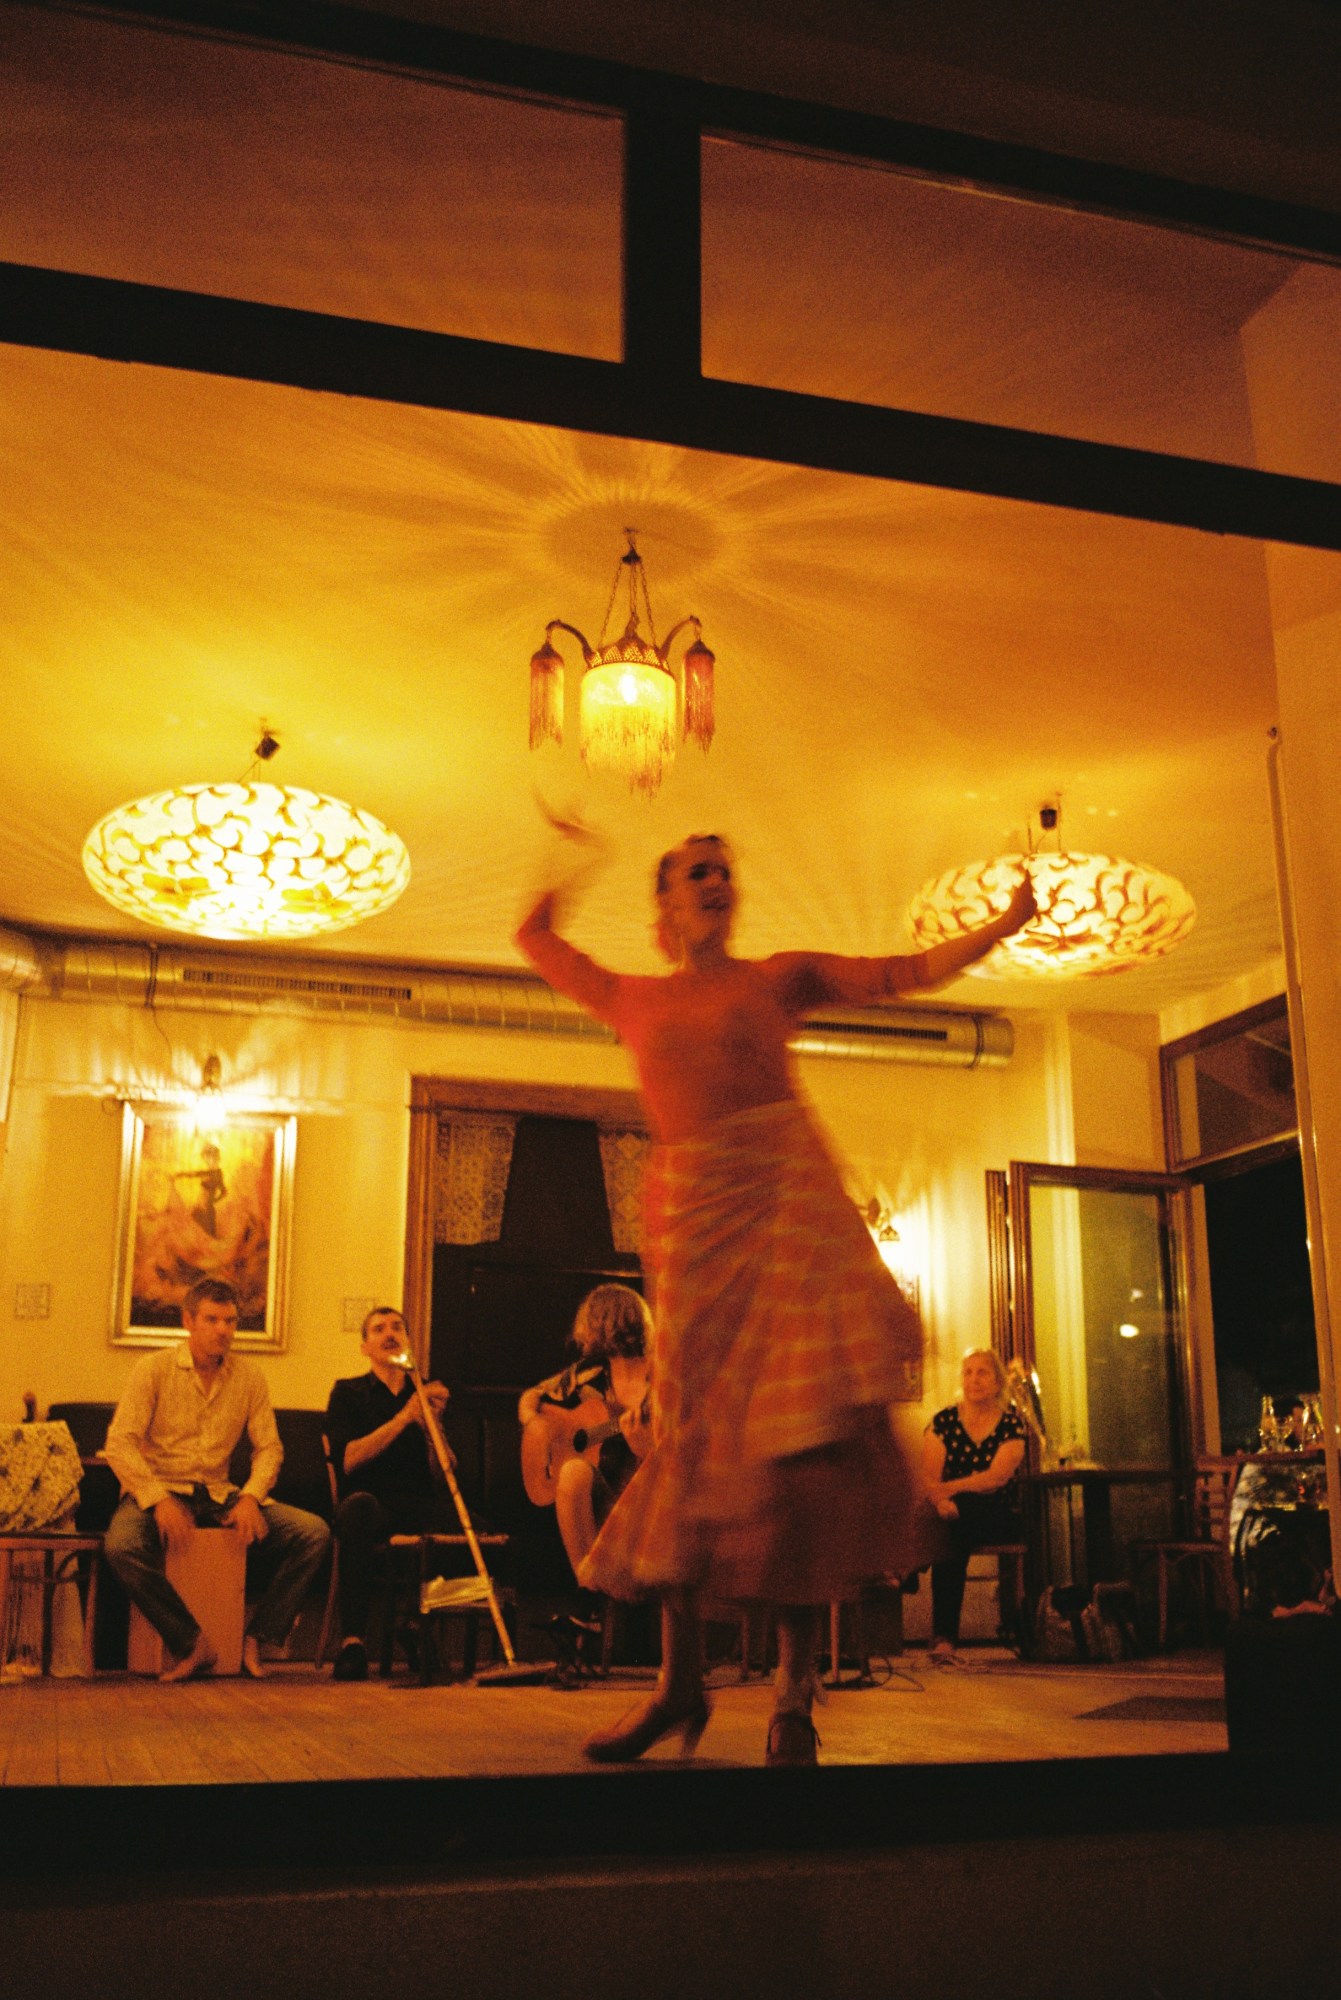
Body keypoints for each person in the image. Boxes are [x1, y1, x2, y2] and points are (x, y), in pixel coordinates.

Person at [516, 827, 1035, 1764]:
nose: (716, 880)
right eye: (694, 871)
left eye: (724, 869)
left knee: (800, 1443)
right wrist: (576, 853)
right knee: (690, 1441)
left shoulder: (778, 977)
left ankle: (794, 1694)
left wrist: (1002, 923)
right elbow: (536, 940)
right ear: (665, 905)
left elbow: (900, 971)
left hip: (787, 1209)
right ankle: (678, 1688)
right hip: (697, 1230)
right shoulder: (630, 997)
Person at [104, 1277, 330, 1681]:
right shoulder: (153, 1369)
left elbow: (270, 1449)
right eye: (212, 1319)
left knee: (313, 1533)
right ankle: (191, 1643)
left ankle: (256, 1638)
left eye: (230, 1321)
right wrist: (157, 1499)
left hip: (219, 1493)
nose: (223, 1330)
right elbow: (120, 1444)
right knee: (121, 1546)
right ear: (188, 1321)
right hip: (159, 1488)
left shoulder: (249, 1376)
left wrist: (251, 1497)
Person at [324, 1305, 454, 1681]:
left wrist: (434, 1426)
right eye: (379, 1329)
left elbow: (445, 1472)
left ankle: (419, 1628)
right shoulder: (347, 1392)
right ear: (365, 1347)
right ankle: (353, 1643)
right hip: (371, 1503)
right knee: (357, 1510)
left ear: (409, 1341)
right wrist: (403, 1419)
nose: (390, 1333)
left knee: (483, 1536)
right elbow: (348, 1460)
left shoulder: (424, 1391)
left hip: (418, 1502)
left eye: (397, 1327)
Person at [518, 1282, 653, 1578]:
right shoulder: (589, 1372)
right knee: (572, 1472)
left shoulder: (661, 1375)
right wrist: (534, 1422)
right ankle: (592, 1586)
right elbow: (533, 1396)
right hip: (606, 1490)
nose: (581, 1334)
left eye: (587, 1325)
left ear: (605, 1324)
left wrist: (646, 1446)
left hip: (651, 1496)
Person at [921, 1347, 1027, 1663]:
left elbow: (995, 1479)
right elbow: (929, 1479)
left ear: (997, 1382)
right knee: (951, 1534)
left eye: (982, 1372)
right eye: (968, 1372)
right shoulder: (943, 1422)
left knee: (956, 1519)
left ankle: (942, 1632)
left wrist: (947, 1494)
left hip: (998, 1514)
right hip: (953, 1517)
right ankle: (943, 1640)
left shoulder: (1011, 1424)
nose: (974, 1379)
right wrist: (941, 1503)